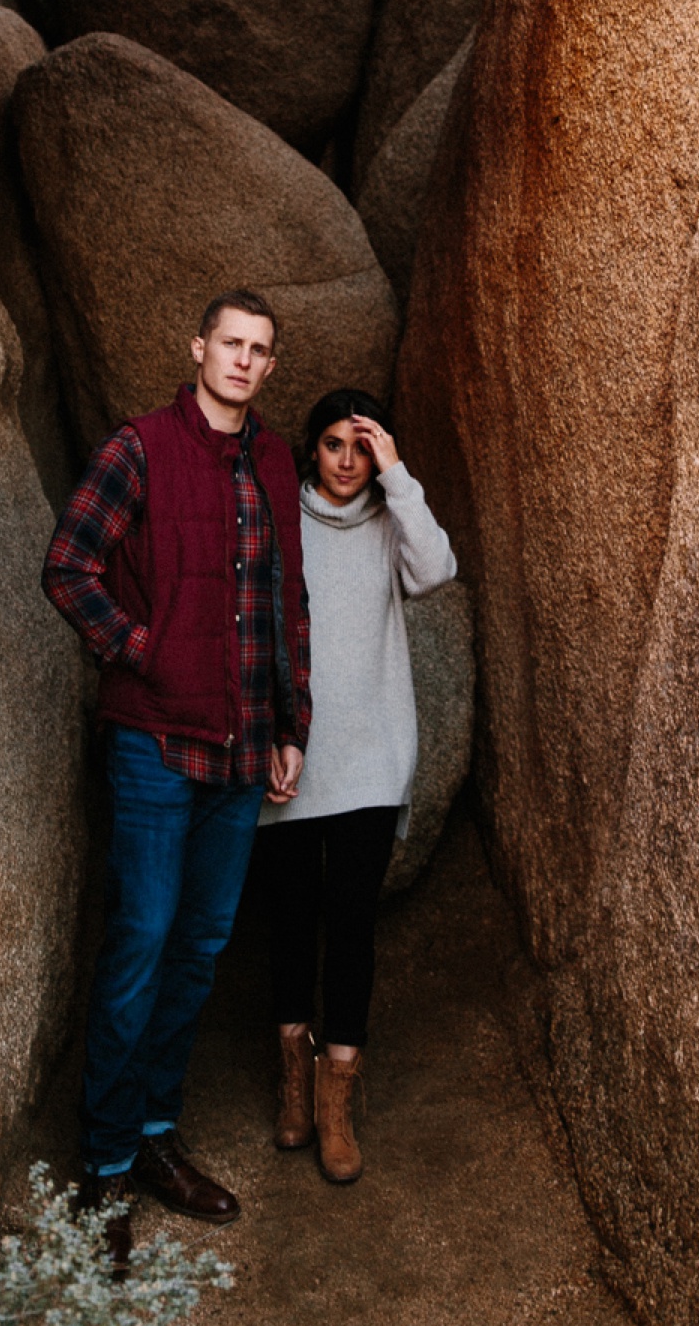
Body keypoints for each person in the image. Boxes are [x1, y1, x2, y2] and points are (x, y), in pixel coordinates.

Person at [42, 289, 310, 1270]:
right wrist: (140, 647)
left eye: (260, 350)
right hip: (156, 741)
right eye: (230, 343)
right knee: (141, 945)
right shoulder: (141, 448)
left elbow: (287, 601)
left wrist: (290, 725)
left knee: (198, 949)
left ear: (271, 367)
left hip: (241, 754)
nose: (243, 360)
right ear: (199, 348)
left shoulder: (274, 461)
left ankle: (156, 1139)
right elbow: (71, 566)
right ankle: (104, 1168)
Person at [256, 388, 455, 1184]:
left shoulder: (388, 520)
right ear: (312, 450)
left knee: (352, 924)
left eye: (361, 447)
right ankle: (295, 1086)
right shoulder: (281, 519)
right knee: (289, 922)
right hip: (293, 759)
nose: (347, 460)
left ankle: (338, 1099)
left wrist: (400, 476)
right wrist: (273, 731)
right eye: (334, 444)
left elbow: (435, 571)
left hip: (372, 757)